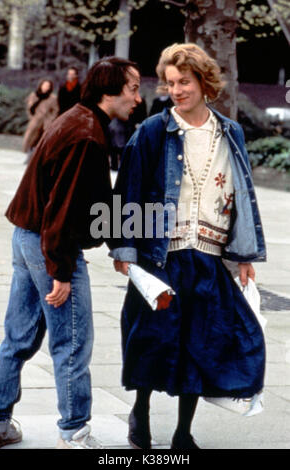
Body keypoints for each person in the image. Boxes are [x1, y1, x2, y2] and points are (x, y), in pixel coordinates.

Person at [111, 43, 267, 450]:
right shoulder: (151, 131)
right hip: (161, 257)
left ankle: (183, 433)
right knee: (152, 341)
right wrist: (125, 250)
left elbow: (242, 194)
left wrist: (243, 256)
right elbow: (127, 191)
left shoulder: (230, 132)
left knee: (202, 345)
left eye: (184, 82)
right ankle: (140, 412)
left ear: (204, 81)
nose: (175, 90)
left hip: (209, 257)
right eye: (170, 82)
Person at [0, 57, 141, 449]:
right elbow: (61, 211)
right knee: (73, 342)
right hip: (49, 244)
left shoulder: (80, 119)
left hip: (28, 237)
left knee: (17, 337)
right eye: (132, 88)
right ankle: (74, 431)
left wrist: (119, 242)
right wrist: (61, 270)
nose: (137, 97)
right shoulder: (85, 134)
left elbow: (93, 202)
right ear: (109, 90)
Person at [23, 78, 58, 163]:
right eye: (44, 85)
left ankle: (36, 159)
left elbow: (55, 110)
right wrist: (32, 118)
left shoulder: (52, 98)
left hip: (46, 123)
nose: (46, 87)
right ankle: (29, 156)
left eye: (48, 86)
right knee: (31, 140)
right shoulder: (34, 95)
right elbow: (29, 108)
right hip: (35, 121)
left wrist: (51, 119)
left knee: (41, 141)